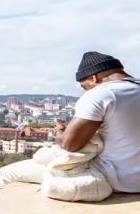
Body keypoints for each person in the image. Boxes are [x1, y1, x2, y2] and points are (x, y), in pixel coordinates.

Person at [56, 51, 140, 193]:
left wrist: (59, 131)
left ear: (94, 78)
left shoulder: (102, 94)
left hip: (121, 180)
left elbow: (69, 144)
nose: (85, 91)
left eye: (84, 87)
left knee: (10, 172)